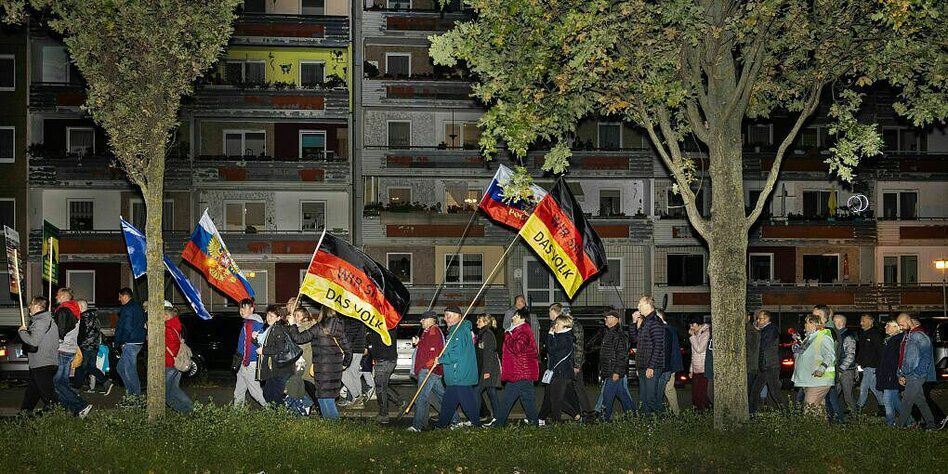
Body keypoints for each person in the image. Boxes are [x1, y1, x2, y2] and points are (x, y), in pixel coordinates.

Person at [288, 307, 351, 420]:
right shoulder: (339, 326)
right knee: (323, 398)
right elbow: (348, 350)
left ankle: (336, 427)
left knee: (326, 400)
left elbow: (299, 338)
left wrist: (292, 325)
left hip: (323, 368)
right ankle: (329, 425)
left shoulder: (318, 327)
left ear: (323, 313)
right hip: (335, 368)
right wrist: (344, 364)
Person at [434, 306, 481, 428]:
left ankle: (477, 426)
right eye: (445, 315)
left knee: (468, 404)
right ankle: (441, 426)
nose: (445, 318)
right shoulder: (455, 330)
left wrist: (440, 360)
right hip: (456, 376)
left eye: (448, 315)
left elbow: (457, 353)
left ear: (457, 316)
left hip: (459, 374)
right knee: (448, 403)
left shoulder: (460, 330)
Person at [493, 308, 539, 427]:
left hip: (519, 372)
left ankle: (498, 425)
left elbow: (517, 348)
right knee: (528, 402)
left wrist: (508, 335)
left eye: (516, 316)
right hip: (524, 373)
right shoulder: (520, 330)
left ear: (522, 318)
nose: (512, 318)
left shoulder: (523, 330)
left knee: (506, 401)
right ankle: (535, 425)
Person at [51, 287, 91, 417]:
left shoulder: (63, 310)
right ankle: (72, 409)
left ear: (63, 296)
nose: (56, 297)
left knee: (57, 382)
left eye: (57, 295)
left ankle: (81, 405)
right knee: (62, 382)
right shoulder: (75, 310)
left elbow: (59, 332)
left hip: (62, 349)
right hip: (70, 349)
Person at [894, 313, 938, 429]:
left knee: (906, 402)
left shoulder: (920, 336)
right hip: (909, 374)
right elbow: (903, 357)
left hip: (915, 375)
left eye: (901, 324)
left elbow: (926, 357)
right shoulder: (907, 336)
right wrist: (901, 374)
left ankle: (897, 428)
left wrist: (917, 374)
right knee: (920, 402)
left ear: (908, 321)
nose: (900, 327)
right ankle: (931, 426)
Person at [408, 310, 448, 432]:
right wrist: (418, 343)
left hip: (428, 370)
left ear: (430, 320)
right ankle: (455, 420)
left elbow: (434, 351)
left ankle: (417, 426)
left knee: (421, 397)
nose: (421, 321)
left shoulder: (433, 331)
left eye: (423, 319)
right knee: (442, 396)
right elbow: (426, 348)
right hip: (431, 370)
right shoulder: (428, 331)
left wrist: (427, 367)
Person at [18, 296, 59, 413]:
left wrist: (22, 331)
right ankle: (23, 416)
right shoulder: (48, 320)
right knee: (31, 395)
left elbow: (33, 341)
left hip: (42, 364)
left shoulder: (41, 322)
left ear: (37, 306)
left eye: (31, 304)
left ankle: (60, 420)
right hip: (44, 363)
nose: (29, 307)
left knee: (50, 399)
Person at [791, 315, 835, 419]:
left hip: (819, 380)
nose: (805, 325)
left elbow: (830, 355)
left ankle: (811, 432)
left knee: (809, 410)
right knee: (819, 411)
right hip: (810, 380)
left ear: (814, 325)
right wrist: (797, 343)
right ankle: (822, 433)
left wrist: (821, 369)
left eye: (807, 322)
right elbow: (800, 354)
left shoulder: (823, 337)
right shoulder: (810, 338)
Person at [630, 296, 664, 414]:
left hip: (652, 367)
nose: (638, 307)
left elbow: (658, 346)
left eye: (640, 304)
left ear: (648, 305)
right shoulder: (646, 322)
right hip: (644, 366)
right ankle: (647, 426)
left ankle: (665, 421)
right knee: (644, 399)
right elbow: (635, 340)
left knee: (650, 399)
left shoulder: (655, 321)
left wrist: (651, 366)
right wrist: (634, 323)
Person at [255, 306, 296, 405]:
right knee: (269, 394)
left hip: (280, 368)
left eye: (272, 316)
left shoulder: (278, 329)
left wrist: (264, 350)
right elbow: (265, 345)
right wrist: (254, 338)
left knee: (274, 396)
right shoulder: (271, 328)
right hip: (274, 368)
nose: (269, 318)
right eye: (268, 315)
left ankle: (280, 416)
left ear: (278, 318)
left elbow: (281, 349)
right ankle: (276, 415)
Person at [598, 309, 634, 421]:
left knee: (607, 397)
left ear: (615, 319)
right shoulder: (610, 333)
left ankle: (604, 419)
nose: (605, 319)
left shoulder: (618, 335)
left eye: (607, 317)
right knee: (622, 395)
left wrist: (617, 372)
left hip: (613, 371)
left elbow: (622, 355)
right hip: (609, 370)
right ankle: (633, 417)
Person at [812, 304, 844, 423]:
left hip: (826, 372)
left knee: (831, 400)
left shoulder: (828, 332)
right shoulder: (822, 331)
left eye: (816, 315)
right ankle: (833, 422)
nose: (813, 317)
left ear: (824, 317)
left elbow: (831, 354)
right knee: (830, 399)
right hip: (824, 372)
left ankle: (839, 422)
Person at [114, 287, 145, 404]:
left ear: (125, 296)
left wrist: (121, 341)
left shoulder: (127, 309)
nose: (119, 299)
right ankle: (130, 394)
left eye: (120, 296)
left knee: (129, 370)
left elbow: (126, 327)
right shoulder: (136, 306)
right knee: (121, 368)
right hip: (136, 341)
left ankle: (135, 398)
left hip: (130, 342)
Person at [233, 298, 267, 408]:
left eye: (245, 308)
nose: (242, 311)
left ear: (252, 309)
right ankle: (237, 415)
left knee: (255, 391)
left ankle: (272, 410)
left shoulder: (251, 323)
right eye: (240, 308)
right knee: (239, 391)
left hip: (249, 363)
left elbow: (248, 345)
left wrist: (245, 362)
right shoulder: (251, 322)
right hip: (245, 362)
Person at [750, 309, 785, 411]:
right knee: (755, 391)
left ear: (766, 319)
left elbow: (764, 344)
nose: (758, 321)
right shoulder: (766, 329)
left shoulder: (771, 329)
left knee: (774, 391)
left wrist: (757, 331)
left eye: (760, 319)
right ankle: (752, 413)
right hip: (765, 366)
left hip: (770, 366)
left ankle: (786, 413)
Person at [74, 299, 111, 395]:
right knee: (91, 367)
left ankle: (76, 389)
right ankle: (106, 381)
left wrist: (77, 342)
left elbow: (82, 333)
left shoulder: (84, 317)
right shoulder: (95, 317)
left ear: (80, 307)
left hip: (86, 346)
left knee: (80, 367)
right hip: (94, 346)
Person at [544, 314, 576, 423]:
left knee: (556, 400)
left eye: (558, 324)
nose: (555, 326)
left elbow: (552, 350)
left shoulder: (564, 338)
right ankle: (576, 414)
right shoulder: (563, 337)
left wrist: (550, 335)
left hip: (561, 373)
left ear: (565, 327)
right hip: (561, 372)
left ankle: (557, 425)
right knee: (556, 399)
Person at [162, 303, 193, 414]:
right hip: (176, 363)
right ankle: (188, 409)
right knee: (174, 389)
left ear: (166, 316)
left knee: (165, 393)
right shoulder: (175, 326)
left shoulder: (167, 329)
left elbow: (167, 345)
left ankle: (186, 410)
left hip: (170, 364)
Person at [367, 328, 402, 423]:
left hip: (384, 360)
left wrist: (369, 336)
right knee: (383, 386)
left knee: (380, 388)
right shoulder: (387, 324)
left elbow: (378, 342)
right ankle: (400, 403)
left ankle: (384, 414)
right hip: (386, 359)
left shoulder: (382, 325)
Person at [876, 320, 904, 427]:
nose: (885, 327)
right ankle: (910, 421)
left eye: (888, 325)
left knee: (887, 399)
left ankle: (890, 424)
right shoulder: (889, 340)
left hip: (891, 374)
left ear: (897, 327)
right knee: (895, 401)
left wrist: (892, 373)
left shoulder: (897, 340)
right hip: (887, 374)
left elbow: (895, 360)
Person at [340, 316, 373, 408]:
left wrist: (344, 348)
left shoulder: (349, 317)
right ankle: (359, 402)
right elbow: (363, 332)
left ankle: (357, 396)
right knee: (354, 374)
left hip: (350, 349)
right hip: (359, 348)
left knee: (342, 373)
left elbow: (348, 334)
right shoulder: (359, 315)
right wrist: (364, 346)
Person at [474, 314, 501, 424]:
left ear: (485, 322)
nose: (477, 323)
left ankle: (475, 418)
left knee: (476, 392)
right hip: (486, 369)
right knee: (492, 393)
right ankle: (498, 417)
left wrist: (487, 371)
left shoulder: (487, 335)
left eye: (479, 321)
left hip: (488, 370)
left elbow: (488, 354)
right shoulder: (482, 334)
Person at [856, 313, 884, 413]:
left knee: (864, 387)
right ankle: (883, 407)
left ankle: (858, 407)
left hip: (872, 366)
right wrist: (858, 362)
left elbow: (880, 351)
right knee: (874, 388)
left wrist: (879, 366)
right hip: (866, 366)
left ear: (871, 321)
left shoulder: (875, 334)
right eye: (861, 320)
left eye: (863, 320)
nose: (861, 323)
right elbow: (861, 351)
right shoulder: (863, 334)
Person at [292, 307, 318, 411]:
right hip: (303, 359)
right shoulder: (302, 326)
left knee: (308, 382)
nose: (295, 318)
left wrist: (292, 326)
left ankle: (316, 403)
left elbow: (299, 342)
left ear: (305, 316)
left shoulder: (305, 326)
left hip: (306, 359)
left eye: (298, 315)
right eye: (295, 315)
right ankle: (312, 404)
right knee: (305, 382)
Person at [658, 310, 682, 414]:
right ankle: (673, 412)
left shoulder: (665, 330)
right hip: (671, 364)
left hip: (668, 366)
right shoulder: (671, 329)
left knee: (667, 389)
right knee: (667, 389)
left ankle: (675, 413)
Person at [833, 314, 858, 413]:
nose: (836, 323)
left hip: (846, 371)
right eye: (834, 321)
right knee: (834, 393)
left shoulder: (848, 336)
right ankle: (834, 412)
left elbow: (850, 355)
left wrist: (841, 369)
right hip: (839, 369)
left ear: (843, 323)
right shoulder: (838, 335)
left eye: (838, 321)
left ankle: (854, 414)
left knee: (847, 395)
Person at [688, 315, 711, 411]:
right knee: (695, 391)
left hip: (703, 368)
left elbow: (699, 349)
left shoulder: (705, 333)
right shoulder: (697, 333)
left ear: (698, 324)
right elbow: (693, 354)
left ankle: (703, 410)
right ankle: (698, 409)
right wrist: (691, 370)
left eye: (692, 325)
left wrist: (692, 336)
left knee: (701, 392)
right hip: (696, 367)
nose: (691, 328)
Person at [745, 312, 761, 406]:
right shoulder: (752, 330)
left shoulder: (750, 331)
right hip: (752, 365)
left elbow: (752, 349)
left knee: (750, 391)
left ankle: (751, 412)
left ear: (748, 317)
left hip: (750, 366)